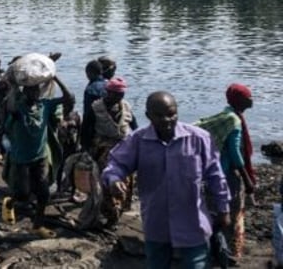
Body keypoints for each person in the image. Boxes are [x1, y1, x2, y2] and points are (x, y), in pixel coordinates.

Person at [102, 91, 230, 269]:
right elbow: (116, 164)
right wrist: (114, 179)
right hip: (156, 222)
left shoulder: (198, 139)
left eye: (171, 114)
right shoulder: (138, 140)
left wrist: (223, 209)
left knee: (196, 265)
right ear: (148, 116)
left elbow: (216, 176)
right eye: (160, 115)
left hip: (192, 222)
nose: (167, 120)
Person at [3, 76, 74, 236]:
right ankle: (11, 201)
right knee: (23, 194)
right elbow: (9, 107)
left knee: (43, 193)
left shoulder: (45, 105)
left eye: (36, 90)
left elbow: (68, 97)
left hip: (40, 156)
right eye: (30, 90)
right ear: (25, 92)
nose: (34, 93)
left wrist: (55, 77)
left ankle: (37, 225)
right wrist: (14, 87)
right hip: (21, 158)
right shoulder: (19, 109)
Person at [196, 83, 256, 261]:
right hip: (227, 174)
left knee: (216, 211)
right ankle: (225, 253)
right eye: (248, 97)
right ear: (239, 99)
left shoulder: (225, 115)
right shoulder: (234, 120)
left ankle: (215, 250)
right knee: (230, 214)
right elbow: (235, 153)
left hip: (214, 172)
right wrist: (247, 180)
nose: (251, 100)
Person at [84, 77, 137, 227]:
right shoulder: (95, 109)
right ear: (107, 92)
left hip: (124, 148)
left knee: (126, 180)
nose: (118, 98)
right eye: (115, 94)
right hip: (103, 148)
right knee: (108, 182)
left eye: (121, 95)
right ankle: (110, 213)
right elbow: (86, 130)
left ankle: (119, 210)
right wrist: (87, 150)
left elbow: (135, 128)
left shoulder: (125, 107)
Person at [80, 59, 107, 153]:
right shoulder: (110, 85)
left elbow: (88, 114)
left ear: (89, 73)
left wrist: (83, 139)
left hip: (95, 131)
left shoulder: (90, 89)